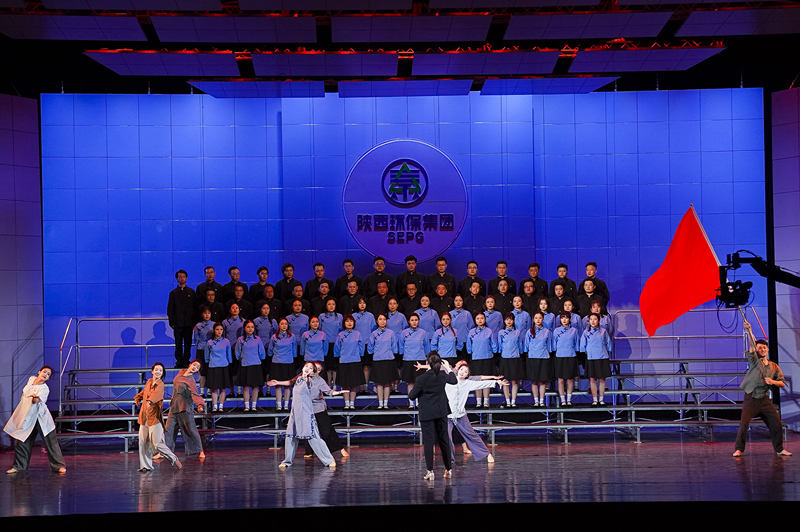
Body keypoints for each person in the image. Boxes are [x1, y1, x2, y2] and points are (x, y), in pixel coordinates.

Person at [416, 360, 504, 463]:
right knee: (446, 437)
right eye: (461, 369)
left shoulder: (468, 383)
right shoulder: (447, 380)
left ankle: (487, 454)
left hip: (461, 415)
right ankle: (449, 459)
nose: (463, 372)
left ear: (467, 375)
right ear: (457, 370)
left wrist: (496, 382)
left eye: (465, 371)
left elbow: (482, 384)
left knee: (471, 435)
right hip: (447, 415)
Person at [733, 321, 792, 457]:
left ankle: (779, 449)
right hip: (751, 398)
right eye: (760, 348)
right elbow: (752, 346)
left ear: (767, 349)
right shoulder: (754, 361)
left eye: (764, 347)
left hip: (764, 399)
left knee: (776, 424)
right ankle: (739, 449)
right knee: (744, 425)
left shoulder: (773, 366)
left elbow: (782, 383)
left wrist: (772, 381)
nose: (762, 349)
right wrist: (749, 330)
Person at [270, 362, 349, 460]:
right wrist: (277, 382)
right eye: (312, 368)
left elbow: (329, 391)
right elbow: (291, 382)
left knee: (326, 431)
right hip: (306, 409)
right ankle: (309, 451)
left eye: (318, 369)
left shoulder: (319, 381)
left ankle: (339, 449)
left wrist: (339, 392)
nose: (314, 370)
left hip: (318, 408)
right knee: (308, 431)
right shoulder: (302, 377)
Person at [4, 365, 66, 474]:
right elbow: (26, 393)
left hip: (41, 418)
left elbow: (35, 401)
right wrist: (31, 394)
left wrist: (33, 396)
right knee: (22, 441)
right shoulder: (31, 379)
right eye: (44, 372)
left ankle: (59, 466)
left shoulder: (44, 389)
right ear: (39, 372)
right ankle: (19, 466)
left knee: (51, 442)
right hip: (28, 417)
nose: (45, 375)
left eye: (48, 374)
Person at [408, 352, 458, 480]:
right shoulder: (442, 375)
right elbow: (454, 380)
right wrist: (448, 369)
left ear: (427, 363)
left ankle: (430, 471)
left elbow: (412, 396)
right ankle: (448, 469)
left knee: (429, 442)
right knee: (444, 440)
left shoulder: (421, 379)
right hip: (441, 411)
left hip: (427, 413)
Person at [134, 362, 181, 472]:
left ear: (162, 373)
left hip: (154, 418)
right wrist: (138, 397)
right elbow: (145, 392)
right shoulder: (149, 382)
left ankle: (173, 458)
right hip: (144, 417)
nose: (158, 372)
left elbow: (157, 394)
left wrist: (150, 401)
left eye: (160, 370)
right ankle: (145, 466)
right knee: (143, 442)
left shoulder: (160, 384)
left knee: (157, 444)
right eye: (156, 369)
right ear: (152, 371)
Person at [164, 360, 206, 459]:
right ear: (190, 364)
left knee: (191, 429)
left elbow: (195, 393)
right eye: (194, 365)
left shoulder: (191, 380)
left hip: (185, 407)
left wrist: (200, 404)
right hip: (174, 406)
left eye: (197, 368)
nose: (195, 367)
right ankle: (164, 452)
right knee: (168, 429)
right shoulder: (181, 372)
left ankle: (200, 451)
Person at [580, 313, 613, 407]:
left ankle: (601, 400)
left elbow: (608, 343)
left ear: (598, 320)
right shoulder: (586, 332)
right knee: (592, 379)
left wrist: (609, 349)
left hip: (602, 357)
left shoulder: (603, 331)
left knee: (602, 379)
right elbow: (582, 345)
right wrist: (585, 352)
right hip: (591, 358)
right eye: (591, 319)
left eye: (595, 319)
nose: (593, 321)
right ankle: (595, 400)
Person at [466, 312, 498, 408]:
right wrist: (471, 352)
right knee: (477, 381)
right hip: (476, 359)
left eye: (482, 318)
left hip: (487, 358)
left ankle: (486, 402)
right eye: (478, 318)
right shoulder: (471, 332)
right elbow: (469, 345)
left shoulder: (489, 331)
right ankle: (478, 402)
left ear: (485, 319)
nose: (480, 320)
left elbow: (493, 344)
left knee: (486, 380)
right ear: (475, 320)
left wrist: (494, 351)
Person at [368, 313, 399, 409]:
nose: (382, 321)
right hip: (378, 360)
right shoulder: (373, 334)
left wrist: (391, 353)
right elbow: (370, 348)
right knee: (379, 383)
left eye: (384, 319)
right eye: (380, 319)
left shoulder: (391, 333)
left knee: (387, 383)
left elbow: (394, 347)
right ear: (377, 321)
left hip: (388, 360)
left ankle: (385, 404)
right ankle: (380, 403)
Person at [167, 269, 196, 368]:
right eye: (179, 277)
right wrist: (172, 323)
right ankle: (179, 361)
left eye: (183, 277)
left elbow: (194, 308)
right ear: (176, 278)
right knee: (178, 343)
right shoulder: (173, 293)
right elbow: (170, 309)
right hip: (178, 324)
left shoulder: (191, 292)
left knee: (188, 343)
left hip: (189, 324)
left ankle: (186, 361)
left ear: (186, 278)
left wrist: (193, 322)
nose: (182, 278)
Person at [235, 320, 266, 412]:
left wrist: (258, 358)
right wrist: (242, 359)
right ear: (244, 328)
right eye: (248, 327)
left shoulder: (257, 339)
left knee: (255, 387)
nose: (250, 329)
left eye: (252, 327)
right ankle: (247, 406)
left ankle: (254, 406)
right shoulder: (240, 339)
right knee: (246, 387)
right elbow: (237, 353)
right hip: (245, 365)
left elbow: (262, 353)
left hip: (256, 365)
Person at [335, 315, 365, 410]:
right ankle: (346, 404)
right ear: (344, 323)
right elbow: (337, 348)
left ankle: (352, 404)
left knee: (354, 384)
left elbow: (361, 347)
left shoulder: (357, 334)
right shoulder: (340, 335)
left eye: (351, 321)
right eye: (347, 321)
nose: (349, 323)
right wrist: (339, 356)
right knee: (345, 384)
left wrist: (359, 355)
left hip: (355, 361)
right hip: (344, 361)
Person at [525, 312, 554, 408]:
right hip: (533, 358)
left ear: (543, 319)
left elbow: (549, 346)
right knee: (534, 381)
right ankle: (536, 401)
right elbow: (526, 346)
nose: (538, 320)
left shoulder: (547, 331)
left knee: (542, 381)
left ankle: (541, 401)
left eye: (540, 318)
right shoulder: (529, 331)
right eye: (536, 318)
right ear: (533, 320)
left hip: (544, 358)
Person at [269, 318, 297, 411]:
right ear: (278, 325)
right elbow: (270, 350)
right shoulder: (274, 337)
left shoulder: (292, 336)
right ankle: (279, 405)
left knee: (287, 385)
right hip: (277, 363)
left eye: (286, 324)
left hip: (288, 363)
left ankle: (286, 405)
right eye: (282, 324)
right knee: (277, 385)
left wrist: (291, 358)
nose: (284, 326)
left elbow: (294, 350)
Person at [497, 313, 525, 408]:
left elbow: (520, 345)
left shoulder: (517, 332)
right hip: (505, 358)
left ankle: (513, 402)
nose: (509, 321)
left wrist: (519, 353)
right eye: (507, 319)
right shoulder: (501, 332)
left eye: (511, 319)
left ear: (513, 321)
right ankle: (507, 402)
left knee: (514, 381)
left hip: (515, 358)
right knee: (505, 381)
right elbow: (500, 345)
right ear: (504, 321)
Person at [553, 311, 580, 407]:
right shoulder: (556, 331)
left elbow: (577, 344)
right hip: (560, 356)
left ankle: (568, 400)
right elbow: (554, 345)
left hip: (571, 356)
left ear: (569, 319)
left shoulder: (574, 330)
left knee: (569, 379)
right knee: (560, 380)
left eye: (566, 317)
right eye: (562, 318)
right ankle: (563, 400)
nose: (564, 320)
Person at [206, 322, 232, 412]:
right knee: (214, 388)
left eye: (221, 329)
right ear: (214, 330)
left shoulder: (226, 341)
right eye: (217, 329)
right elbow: (206, 356)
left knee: (222, 388)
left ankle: (221, 406)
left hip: (223, 366)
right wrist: (209, 362)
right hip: (213, 366)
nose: (219, 331)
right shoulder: (209, 342)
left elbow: (229, 354)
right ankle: (214, 406)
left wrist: (229, 362)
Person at [353, 297, 376, 390]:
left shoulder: (370, 316)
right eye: (360, 303)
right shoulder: (353, 316)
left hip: (367, 344)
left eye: (364, 303)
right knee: (358, 366)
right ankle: (360, 387)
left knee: (366, 366)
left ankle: (366, 386)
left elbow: (373, 330)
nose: (362, 305)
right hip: (356, 344)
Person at [319, 298, 343, 386]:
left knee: (335, 366)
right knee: (328, 366)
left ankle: (335, 385)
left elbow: (341, 330)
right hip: (325, 344)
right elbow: (319, 329)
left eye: (333, 304)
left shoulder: (339, 316)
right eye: (329, 304)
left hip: (336, 344)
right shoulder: (321, 316)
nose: (331, 306)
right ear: (326, 306)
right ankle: (328, 385)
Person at [192, 305, 215, 396]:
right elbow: (196, 338)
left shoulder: (214, 324)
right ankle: (201, 391)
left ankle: (209, 390)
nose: (207, 315)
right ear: (202, 314)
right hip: (201, 349)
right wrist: (200, 346)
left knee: (209, 370)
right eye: (205, 313)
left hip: (211, 350)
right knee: (202, 371)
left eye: (209, 313)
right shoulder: (198, 325)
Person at [449, 295, 473, 361]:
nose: (458, 302)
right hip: (453, 341)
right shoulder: (450, 314)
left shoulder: (467, 313)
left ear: (463, 302)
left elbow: (471, 328)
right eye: (456, 300)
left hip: (464, 341)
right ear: (453, 302)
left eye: (460, 300)